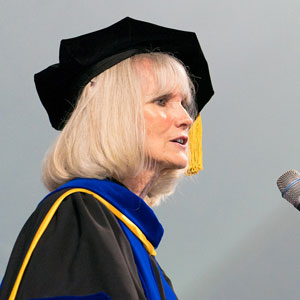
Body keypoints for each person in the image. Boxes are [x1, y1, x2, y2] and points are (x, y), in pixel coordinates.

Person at [0, 17, 214, 300]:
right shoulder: (79, 215)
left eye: (184, 104)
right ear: (115, 115)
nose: (187, 119)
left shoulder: (132, 238)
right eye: (161, 101)